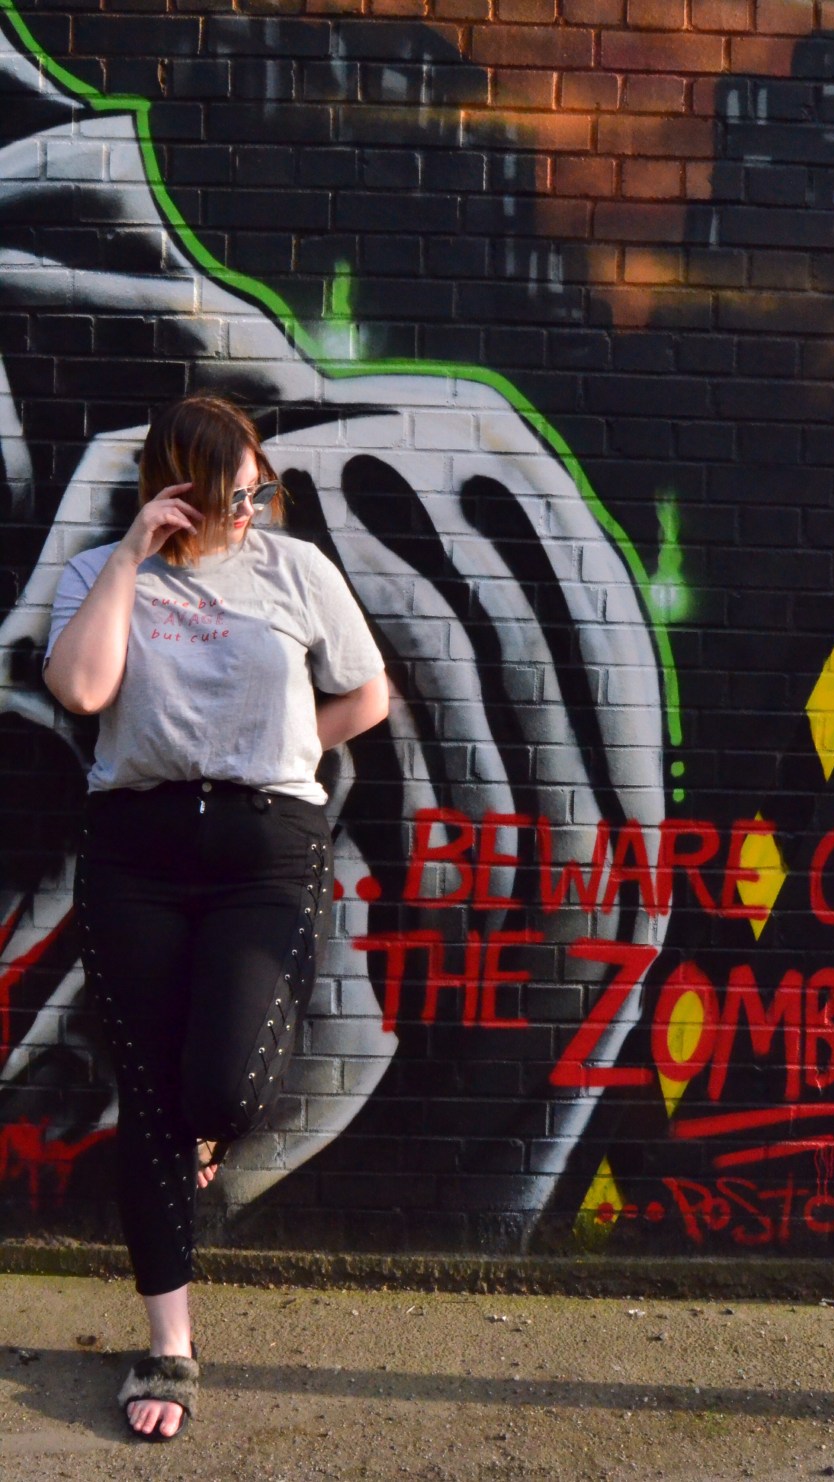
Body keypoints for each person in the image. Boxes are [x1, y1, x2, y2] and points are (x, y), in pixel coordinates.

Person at [43, 393, 389, 1441]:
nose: (253, 512)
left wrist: (286, 751)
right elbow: (82, 686)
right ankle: (170, 1347)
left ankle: (200, 1134)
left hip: (264, 856)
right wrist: (125, 564)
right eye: (236, 497)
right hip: (136, 857)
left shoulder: (295, 573)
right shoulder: (105, 573)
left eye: (260, 493)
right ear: (177, 489)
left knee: (221, 1089)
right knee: (150, 1109)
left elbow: (365, 697)